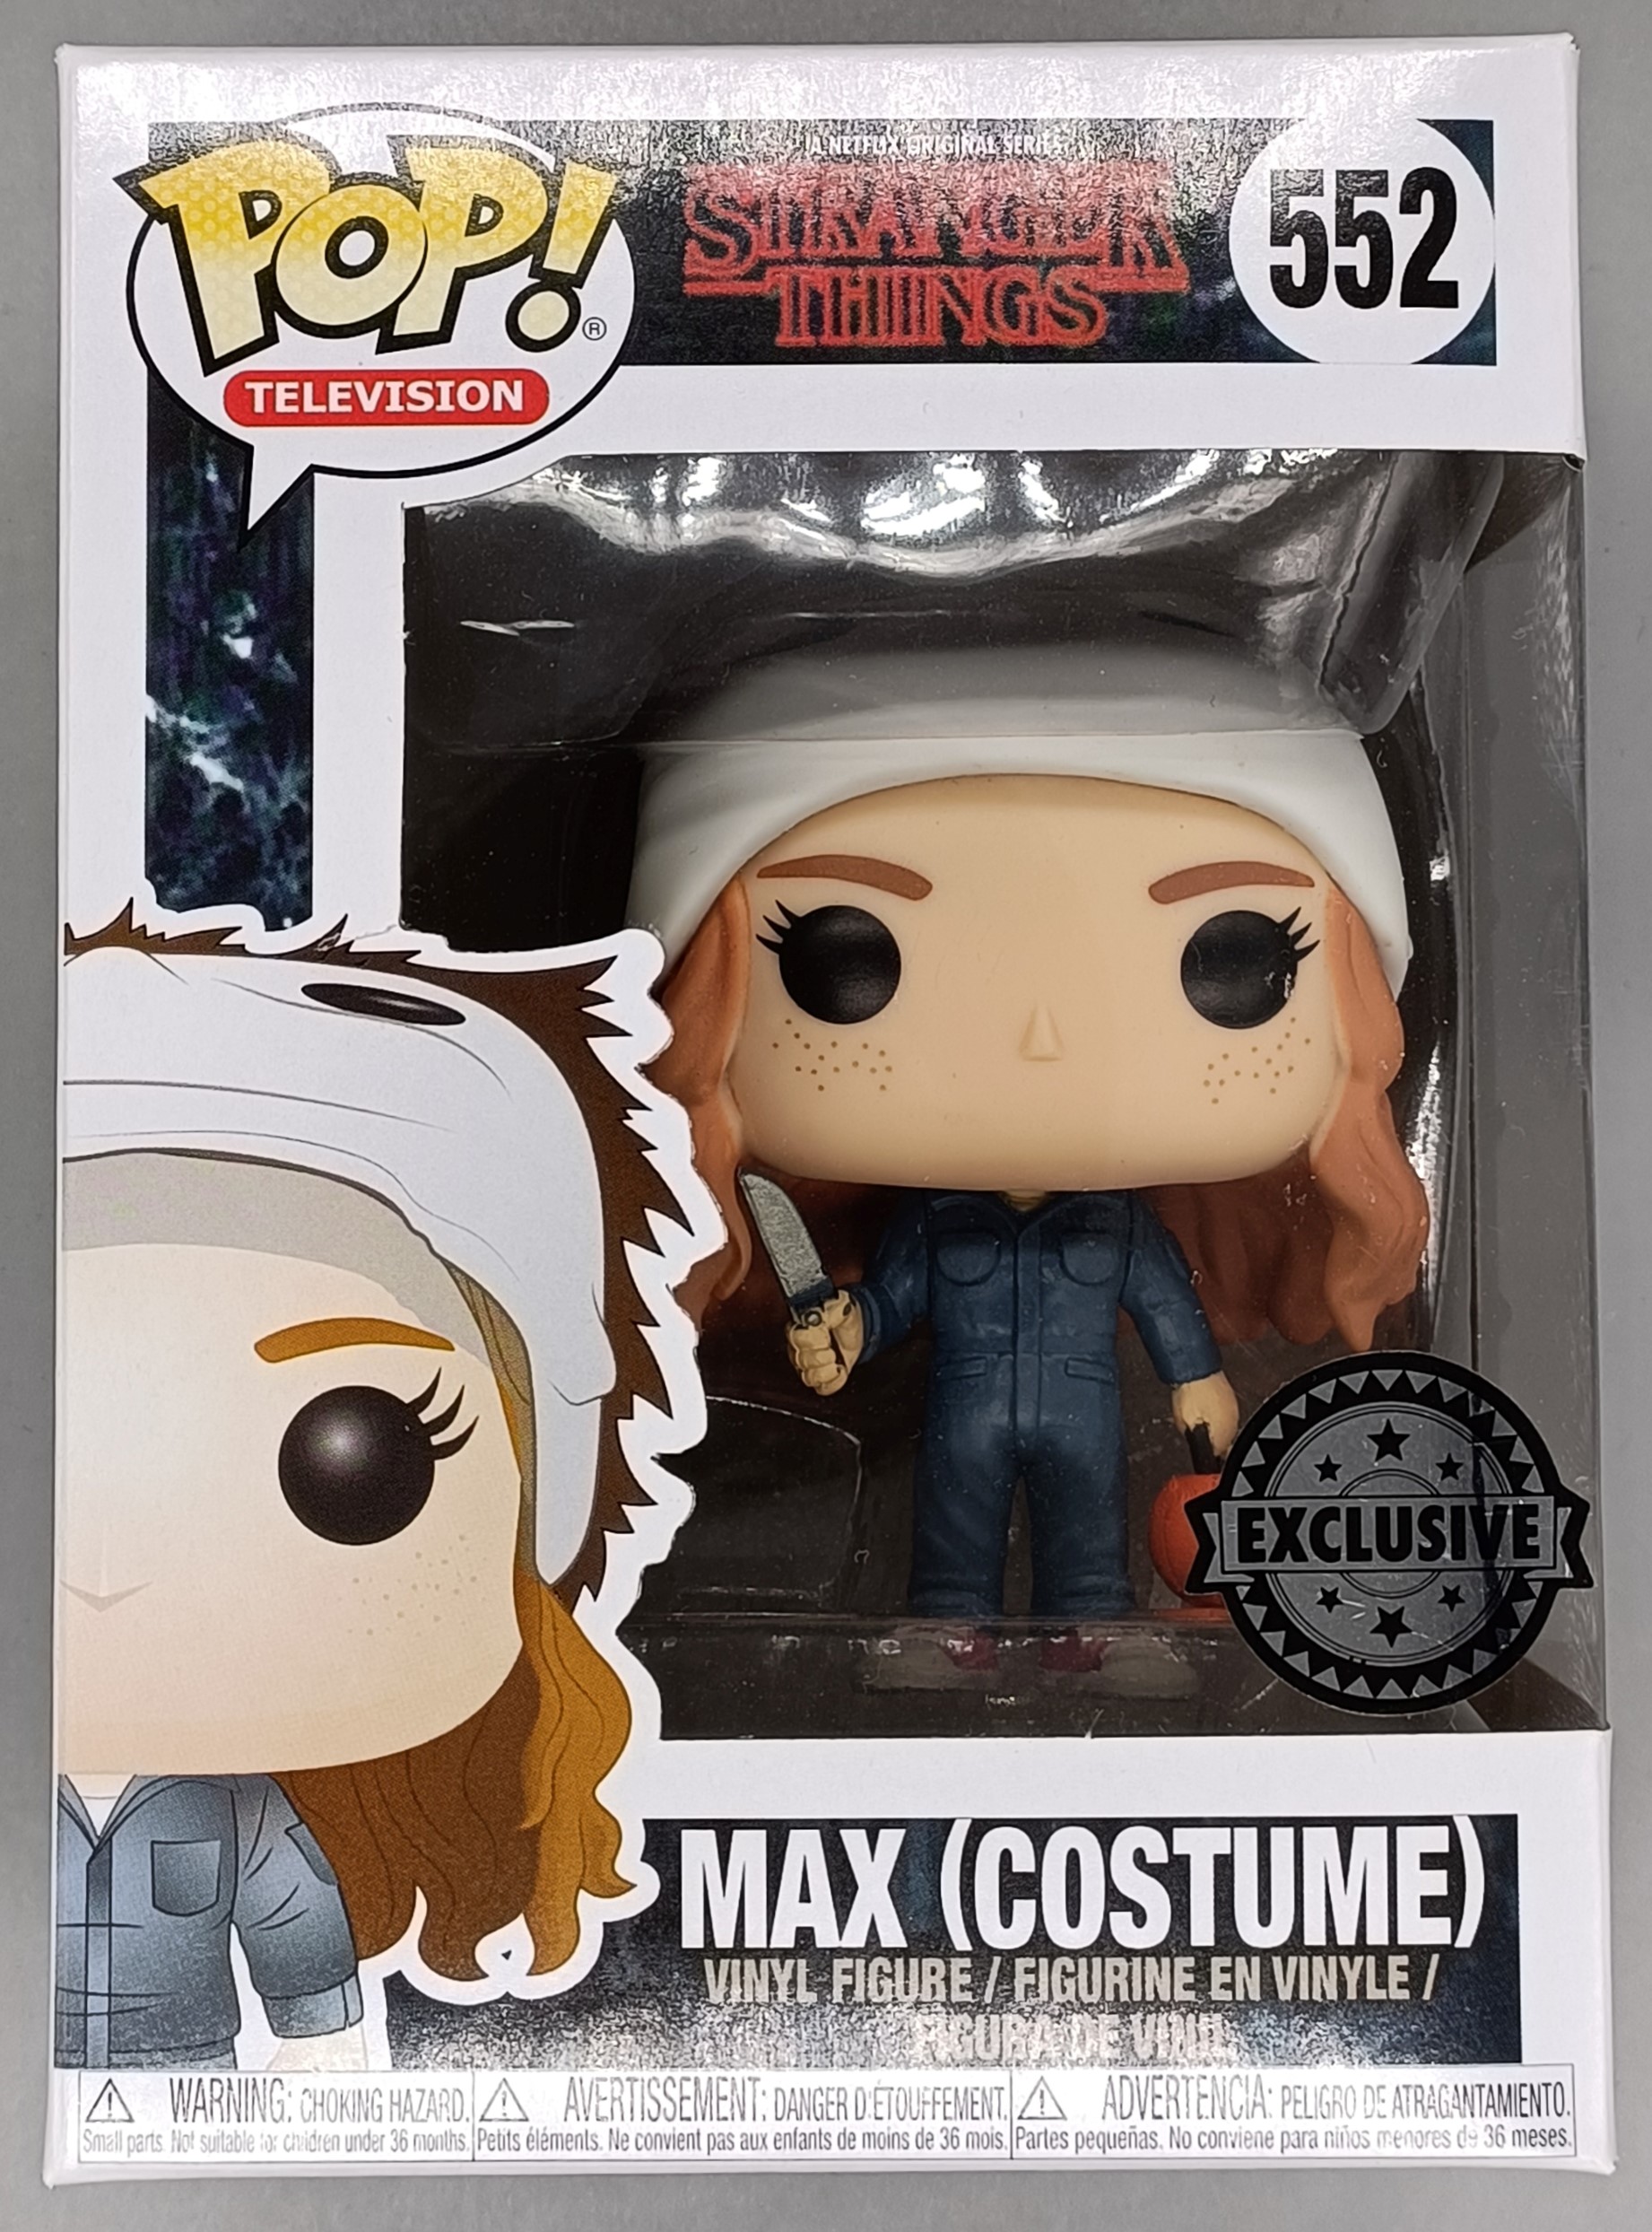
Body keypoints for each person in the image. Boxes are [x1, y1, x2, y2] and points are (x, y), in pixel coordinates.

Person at [630, 638, 1430, 1633]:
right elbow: (890, 1298)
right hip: (963, 1413)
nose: (1041, 1038)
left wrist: (1198, 1380)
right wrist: (848, 1330)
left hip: (1083, 1415)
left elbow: (1166, 1305)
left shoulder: (1119, 1230)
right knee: (952, 1531)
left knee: (1088, 1535)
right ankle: (946, 1631)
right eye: (844, 958)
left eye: (1232, 960)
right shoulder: (934, 1225)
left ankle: (1090, 1630)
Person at [57, 916, 686, 2067]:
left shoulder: (244, 1814)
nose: (105, 1568)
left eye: (353, 1460)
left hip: (190, 2082)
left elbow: (299, 1937)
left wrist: (322, 2056)